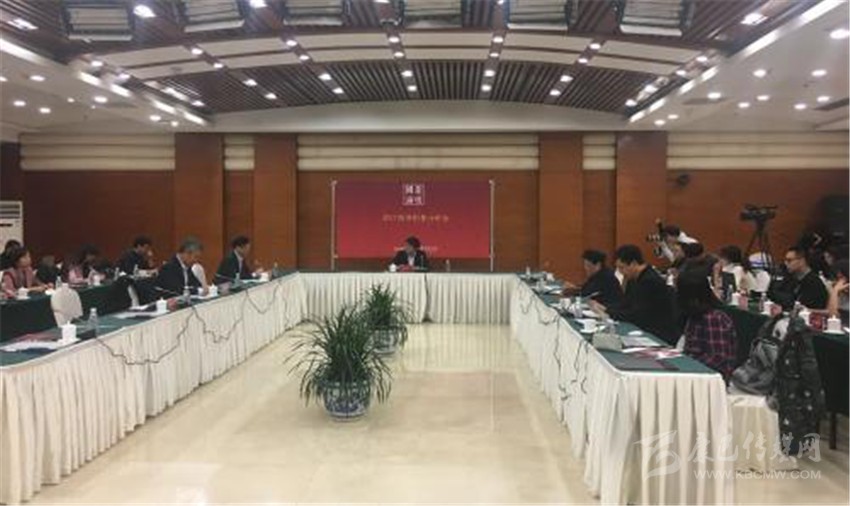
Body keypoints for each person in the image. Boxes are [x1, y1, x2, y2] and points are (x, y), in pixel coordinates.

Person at [590, 245, 680, 345]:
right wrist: (604, 307)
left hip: (658, 334)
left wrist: (608, 312)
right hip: (642, 327)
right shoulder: (633, 278)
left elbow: (637, 315)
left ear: (633, 263)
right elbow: (626, 303)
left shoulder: (650, 281)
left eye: (622, 267)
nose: (621, 272)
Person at [676, 268, 737, 381]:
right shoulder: (693, 314)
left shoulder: (714, 318)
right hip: (693, 371)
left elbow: (717, 358)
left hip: (709, 379)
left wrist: (687, 366)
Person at [776, 245, 829, 310]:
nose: (786, 264)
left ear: (802, 261)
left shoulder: (814, 282)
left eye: (789, 260)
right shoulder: (791, 279)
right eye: (785, 261)